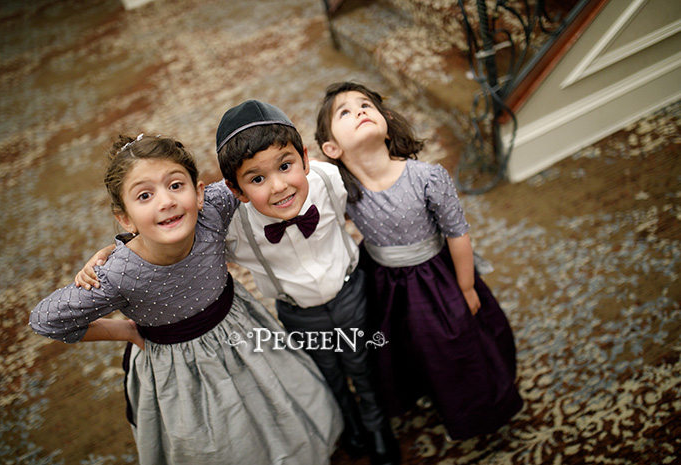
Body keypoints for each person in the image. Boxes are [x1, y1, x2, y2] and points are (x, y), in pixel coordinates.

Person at [76, 103, 401, 465]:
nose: (278, 186)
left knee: (362, 363)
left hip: (349, 291)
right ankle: (349, 425)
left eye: (285, 166)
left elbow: (357, 206)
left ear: (305, 159)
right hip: (297, 312)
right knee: (326, 372)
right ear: (237, 189)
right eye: (257, 179)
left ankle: (377, 427)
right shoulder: (231, 225)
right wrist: (116, 249)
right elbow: (176, 238)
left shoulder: (328, 180)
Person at [29, 134, 343, 465]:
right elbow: (45, 319)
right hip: (181, 369)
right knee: (219, 441)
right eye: (145, 195)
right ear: (124, 218)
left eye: (176, 185)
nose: (166, 201)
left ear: (200, 191)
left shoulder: (213, 210)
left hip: (244, 335)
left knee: (281, 400)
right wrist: (124, 331)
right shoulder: (117, 275)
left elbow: (251, 178)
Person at [314, 81, 523, 441]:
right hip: (382, 279)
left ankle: (476, 405)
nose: (360, 111)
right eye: (344, 112)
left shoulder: (426, 177)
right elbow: (305, 187)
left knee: (451, 342)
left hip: (434, 277)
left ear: (386, 119)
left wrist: (467, 285)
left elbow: (457, 233)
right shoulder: (343, 191)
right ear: (331, 147)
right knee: (398, 343)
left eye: (366, 105)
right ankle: (417, 389)